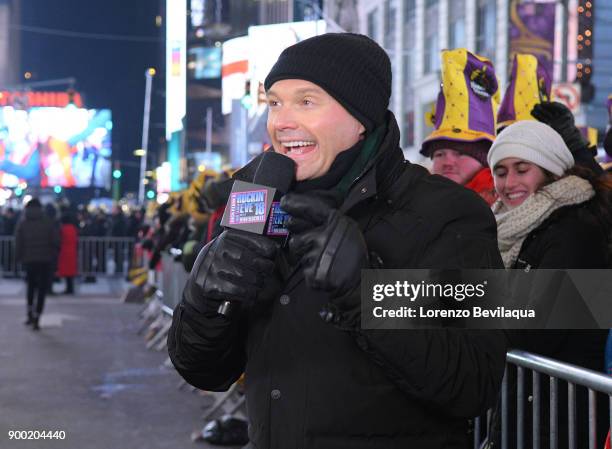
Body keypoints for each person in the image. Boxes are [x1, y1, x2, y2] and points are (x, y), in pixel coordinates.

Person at [168, 33, 508, 449]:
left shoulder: (449, 213)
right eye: (274, 102)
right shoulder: (255, 199)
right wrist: (203, 303)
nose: (281, 121)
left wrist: (367, 296)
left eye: (306, 101)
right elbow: (204, 371)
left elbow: (472, 386)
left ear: (360, 117)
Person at [487, 120, 612, 448]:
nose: (509, 182)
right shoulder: (514, 227)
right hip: (531, 407)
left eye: (522, 169)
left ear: (550, 169)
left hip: (564, 418)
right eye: (500, 172)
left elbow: (541, 328)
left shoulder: (576, 228)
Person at [420, 49, 500, 205]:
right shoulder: (419, 203)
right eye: (439, 154)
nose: (447, 163)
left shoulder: (506, 207)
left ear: (485, 160)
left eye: (460, 153)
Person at [14, 198, 61, 331]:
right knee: (41, 289)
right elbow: (55, 241)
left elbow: (18, 242)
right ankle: (37, 316)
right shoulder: (48, 222)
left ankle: (29, 312)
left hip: (29, 260)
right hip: (45, 260)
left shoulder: (23, 223)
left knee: (30, 287)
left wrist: (18, 258)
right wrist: (53, 256)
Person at [56, 211, 79, 294]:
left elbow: (59, 240)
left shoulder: (62, 229)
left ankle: (68, 289)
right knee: (71, 272)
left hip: (64, 252)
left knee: (66, 272)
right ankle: (70, 288)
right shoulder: (73, 228)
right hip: (72, 252)